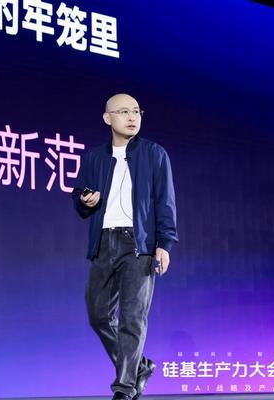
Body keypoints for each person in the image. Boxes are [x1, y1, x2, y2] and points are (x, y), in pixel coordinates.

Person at [71, 93, 178, 400]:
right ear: (108, 118)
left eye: (136, 111)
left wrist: (164, 244)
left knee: (133, 318)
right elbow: (78, 199)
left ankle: (124, 387)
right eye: (123, 111)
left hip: (139, 244)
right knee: (98, 315)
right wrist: (85, 200)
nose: (132, 117)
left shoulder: (154, 153)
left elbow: (165, 202)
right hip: (103, 243)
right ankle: (139, 366)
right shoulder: (94, 157)